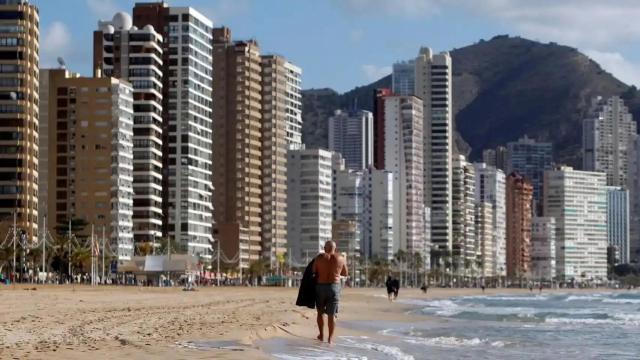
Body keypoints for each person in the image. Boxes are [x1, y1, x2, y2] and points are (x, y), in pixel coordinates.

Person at [313, 240, 347, 344]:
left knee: (320, 313)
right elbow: (345, 273)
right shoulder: (341, 258)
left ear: (324, 248)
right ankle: (330, 339)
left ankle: (322, 335)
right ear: (334, 248)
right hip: (334, 287)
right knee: (332, 315)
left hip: (320, 287)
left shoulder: (319, 258)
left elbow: (314, 271)